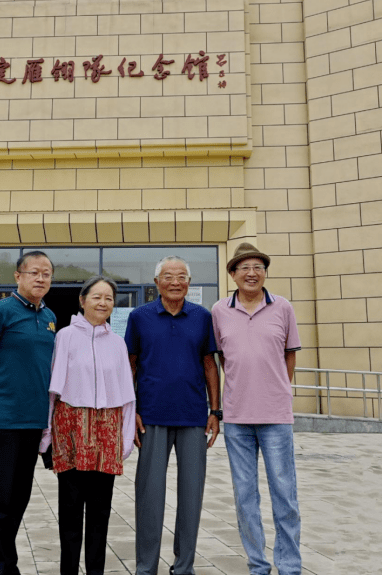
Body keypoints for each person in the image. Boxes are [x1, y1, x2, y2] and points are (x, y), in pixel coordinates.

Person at [125, 256, 221, 575]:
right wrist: (130, 411)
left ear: (189, 283)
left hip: (193, 417)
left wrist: (215, 410)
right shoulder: (139, 317)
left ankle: (184, 566)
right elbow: (130, 365)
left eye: (181, 276)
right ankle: (146, 567)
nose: (175, 282)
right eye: (168, 276)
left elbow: (210, 364)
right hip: (151, 415)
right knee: (149, 496)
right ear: (157, 283)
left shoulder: (202, 317)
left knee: (191, 495)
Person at [211, 242, 302, 575]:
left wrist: (277, 388)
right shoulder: (219, 311)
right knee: (245, 497)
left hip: (276, 416)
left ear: (265, 273)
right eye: (245, 268)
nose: (252, 273)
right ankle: (258, 566)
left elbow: (289, 354)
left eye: (258, 268)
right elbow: (222, 359)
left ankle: (289, 566)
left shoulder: (283, 307)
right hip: (237, 419)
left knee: (285, 495)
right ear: (233, 274)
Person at [0, 250, 56, 575]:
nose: (41, 278)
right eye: (34, 272)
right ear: (18, 276)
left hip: (32, 422)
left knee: (17, 500)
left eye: (46, 273)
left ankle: (6, 565)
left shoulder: (49, 316)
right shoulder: (0, 311)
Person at [40, 276, 136, 575]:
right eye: (97, 297)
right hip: (70, 428)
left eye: (109, 298)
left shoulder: (117, 343)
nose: (103, 303)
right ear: (82, 301)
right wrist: (46, 436)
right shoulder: (65, 336)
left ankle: (96, 571)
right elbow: (53, 390)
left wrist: (126, 439)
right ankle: (68, 571)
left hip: (107, 430)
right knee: (70, 510)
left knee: (100, 512)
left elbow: (127, 395)